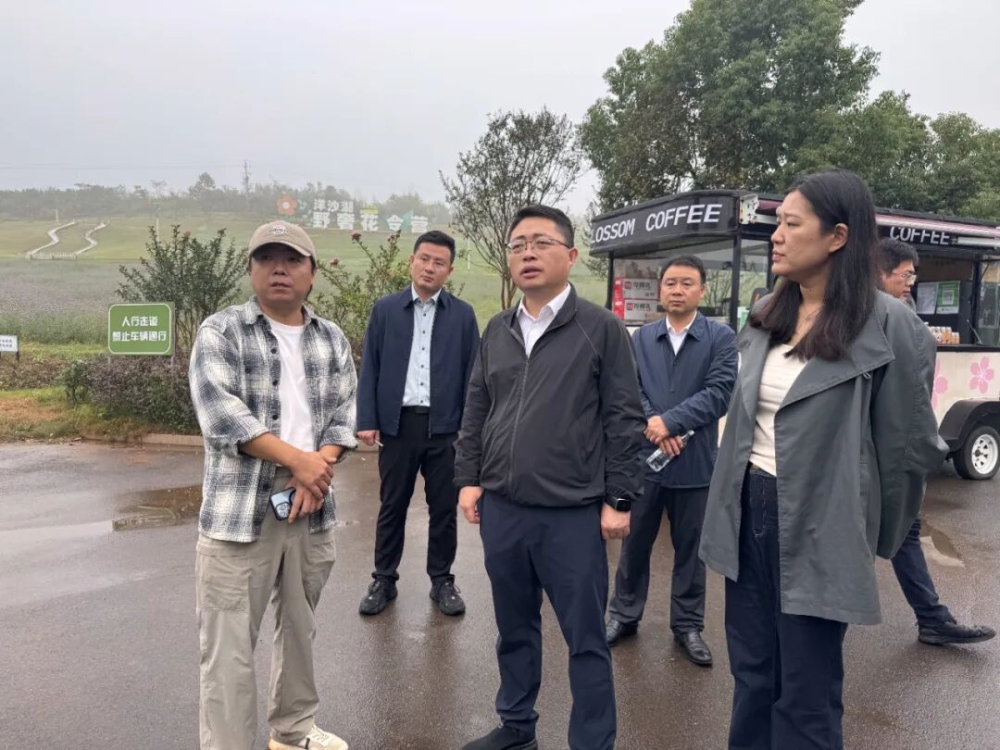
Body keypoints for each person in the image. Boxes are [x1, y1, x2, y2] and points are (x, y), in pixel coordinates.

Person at [699, 171, 948, 750]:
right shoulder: (766, 313)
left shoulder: (891, 325)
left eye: (792, 224)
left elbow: (909, 449)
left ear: (838, 236)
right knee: (752, 677)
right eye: (777, 223)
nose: (777, 236)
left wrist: (866, 535)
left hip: (823, 522)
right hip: (748, 512)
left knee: (806, 693)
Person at [455, 205, 646, 750]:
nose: (528, 253)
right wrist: (468, 477)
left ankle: (592, 741)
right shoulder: (498, 328)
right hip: (504, 509)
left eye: (541, 242)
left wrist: (619, 498)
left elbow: (624, 418)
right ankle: (517, 727)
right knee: (514, 629)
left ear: (571, 254)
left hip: (572, 514)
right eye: (518, 245)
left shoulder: (600, 329)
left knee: (584, 639)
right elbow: (477, 406)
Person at [189, 220, 356, 750]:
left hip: (312, 499)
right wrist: (298, 462)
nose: (279, 268)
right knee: (229, 643)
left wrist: (315, 469)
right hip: (240, 507)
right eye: (266, 258)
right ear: (251, 270)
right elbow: (221, 415)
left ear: (312, 273)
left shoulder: (331, 338)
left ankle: (293, 729)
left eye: (292, 259)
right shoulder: (222, 331)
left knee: (300, 628)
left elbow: (345, 414)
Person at [605, 255, 737, 667]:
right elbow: (630, 389)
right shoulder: (641, 338)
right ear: (660, 290)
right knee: (634, 544)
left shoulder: (720, 337)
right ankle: (624, 614)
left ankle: (688, 625)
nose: (677, 290)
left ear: (701, 290)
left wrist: (671, 422)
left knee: (691, 551)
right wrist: (654, 425)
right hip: (645, 463)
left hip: (695, 464)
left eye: (686, 283)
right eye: (670, 283)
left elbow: (720, 392)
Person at [876, 237, 995, 646]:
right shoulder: (864, 317)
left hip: (899, 449)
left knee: (906, 530)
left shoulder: (902, 313)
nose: (910, 283)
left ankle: (931, 617)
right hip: (871, 453)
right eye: (905, 275)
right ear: (879, 273)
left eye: (913, 276)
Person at [355, 230, 480, 616]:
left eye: (439, 262)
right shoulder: (386, 310)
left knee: (443, 508)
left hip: (446, 429)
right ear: (411, 261)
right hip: (398, 425)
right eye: (424, 259)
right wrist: (368, 418)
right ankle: (384, 579)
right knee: (392, 504)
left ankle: (442, 580)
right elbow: (370, 365)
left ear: (449, 270)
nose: (430, 267)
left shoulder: (462, 315)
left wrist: (469, 428)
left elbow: (473, 375)